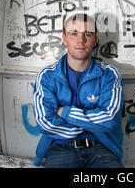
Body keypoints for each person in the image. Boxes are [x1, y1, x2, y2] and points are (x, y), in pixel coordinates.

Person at [33, 13, 124, 168]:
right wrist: (92, 124)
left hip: (101, 149)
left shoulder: (109, 75)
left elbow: (109, 120)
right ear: (64, 38)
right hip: (60, 148)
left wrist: (65, 112)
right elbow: (45, 123)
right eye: (74, 33)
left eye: (87, 34)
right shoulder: (47, 76)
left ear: (95, 40)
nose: (81, 40)